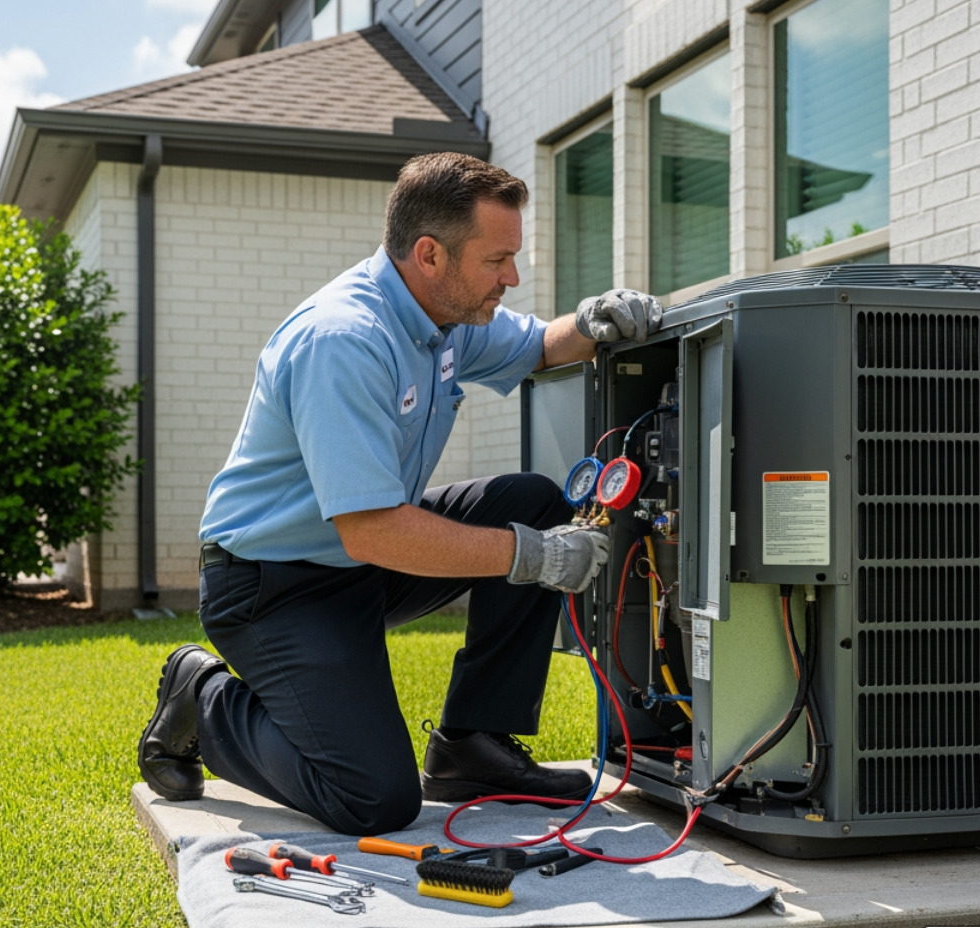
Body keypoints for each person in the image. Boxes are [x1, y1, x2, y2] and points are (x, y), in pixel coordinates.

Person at [137, 152, 662, 836]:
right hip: (274, 587)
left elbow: (539, 345)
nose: (513, 276)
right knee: (373, 798)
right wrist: (531, 559)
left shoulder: (442, 318)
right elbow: (373, 530)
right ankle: (201, 698)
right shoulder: (345, 341)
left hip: (359, 563)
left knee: (532, 501)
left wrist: (594, 322)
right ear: (429, 254)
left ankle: (474, 747)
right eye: (497, 260)